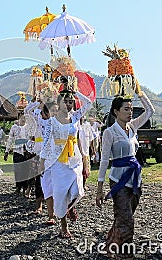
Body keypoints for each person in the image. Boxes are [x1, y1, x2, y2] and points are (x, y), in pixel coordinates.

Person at [95, 83, 154, 259]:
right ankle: (125, 253)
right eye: (126, 109)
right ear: (115, 112)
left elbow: (150, 111)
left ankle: (111, 244)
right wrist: (99, 188)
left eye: (130, 109)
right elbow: (104, 160)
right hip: (118, 179)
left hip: (135, 178)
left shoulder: (133, 127)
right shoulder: (109, 133)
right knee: (127, 218)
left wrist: (139, 92)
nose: (130, 112)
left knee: (124, 215)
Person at [41, 89, 92, 238]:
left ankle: (70, 208)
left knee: (77, 191)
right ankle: (64, 226)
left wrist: (76, 92)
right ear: (59, 103)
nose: (69, 104)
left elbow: (88, 103)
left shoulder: (75, 117)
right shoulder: (52, 121)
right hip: (58, 162)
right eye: (66, 101)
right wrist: (42, 163)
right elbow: (45, 143)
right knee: (60, 193)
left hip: (74, 159)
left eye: (71, 101)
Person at [4, 112, 31, 196]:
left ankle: (25, 188)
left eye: (25, 118)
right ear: (18, 118)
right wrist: (7, 151)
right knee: (18, 170)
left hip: (26, 151)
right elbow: (10, 139)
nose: (23, 120)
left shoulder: (28, 128)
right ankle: (18, 187)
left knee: (26, 170)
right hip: (17, 151)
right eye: (22, 118)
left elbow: (31, 138)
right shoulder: (14, 127)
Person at [79, 116, 95, 189]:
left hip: (86, 152)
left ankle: (83, 185)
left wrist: (93, 149)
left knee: (86, 170)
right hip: (77, 153)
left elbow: (91, 139)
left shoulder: (87, 126)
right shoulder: (75, 126)